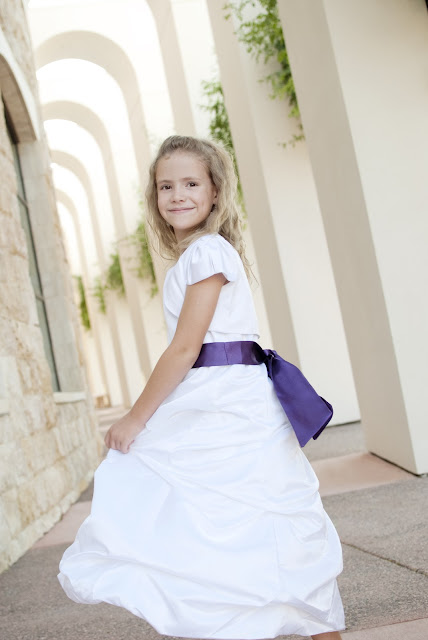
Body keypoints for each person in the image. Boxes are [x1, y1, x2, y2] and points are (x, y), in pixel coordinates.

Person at [58, 135, 345, 640]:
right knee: (238, 525)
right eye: (165, 186)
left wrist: (135, 418)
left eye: (191, 183)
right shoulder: (198, 254)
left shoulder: (208, 252)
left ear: (215, 192)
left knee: (235, 519)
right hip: (221, 393)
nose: (177, 195)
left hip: (225, 402)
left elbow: (186, 348)